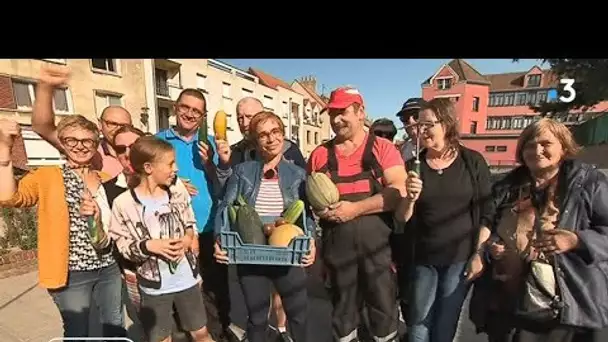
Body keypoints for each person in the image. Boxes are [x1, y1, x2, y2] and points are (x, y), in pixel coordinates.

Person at [470, 118, 608, 342]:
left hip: (563, 307)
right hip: (510, 303)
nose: (537, 150)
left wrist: (576, 240)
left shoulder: (587, 183)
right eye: (530, 145)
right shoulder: (507, 187)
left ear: (563, 146)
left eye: (546, 144)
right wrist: (491, 247)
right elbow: (490, 224)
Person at [0, 116, 126, 338]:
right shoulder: (48, 176)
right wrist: (4, 150)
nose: (79, 146)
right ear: (62, 142)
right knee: (78, 331)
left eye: (87, 141)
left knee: (114, 325)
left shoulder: (105, 178)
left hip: (108, 267)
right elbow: (10, 197)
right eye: (71, 140)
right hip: (71, 273)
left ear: (96, 145)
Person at [307, 87, 407, 342]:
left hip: (378, 253)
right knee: (343, 317)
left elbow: (397, 192)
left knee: (383, 314)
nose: (336, 119)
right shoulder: (319, 155)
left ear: (361, 112)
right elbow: (311, 202)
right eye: (332, 114)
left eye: (343, 112)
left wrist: (353, 210)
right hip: (337, 254)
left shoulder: (382, 149)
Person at [206, 96, 307, 342]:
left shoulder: (298, 174)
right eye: (263, 134)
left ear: (283, 135)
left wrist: (311, 241)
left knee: (299, 316)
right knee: (258, 317)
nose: (271, 138)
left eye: (275, 132)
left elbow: (307, 215)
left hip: (287, 251)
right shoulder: (242, 171)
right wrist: (220, 239)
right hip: (250, 252)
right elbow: (225, 206)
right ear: (255, 139)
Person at [395, 98, 493, 342]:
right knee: (418, 324)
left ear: (447, 124)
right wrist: (409, 198)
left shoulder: (472, 162)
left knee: (445, 325)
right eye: (420, 125)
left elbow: (487, 211)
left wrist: (479, 253)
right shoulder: (412, 166)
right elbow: (401, 219)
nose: (421, 130)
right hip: (422, 260)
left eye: (428, 124)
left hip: (459, 260)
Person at [109, 136, 213, 342]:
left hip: (187, 281)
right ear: (148, 168)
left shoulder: (177, 193)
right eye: (170, 164)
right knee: (161, 339)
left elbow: (190, 222)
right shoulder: (124, 204)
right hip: (154, 288)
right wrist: (148, 246)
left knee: (201, 334)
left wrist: (187, 238)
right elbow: (121, 244)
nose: (175, 169)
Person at [156, 89, 231, 341]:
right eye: (185, 107)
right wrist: (173, 183)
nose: (189, 114)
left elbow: (223, 186)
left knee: (214, 289)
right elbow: (144, 181)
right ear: (176, 107)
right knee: (181, 291)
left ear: (203, 116)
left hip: (209, 228)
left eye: (196, 111)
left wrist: (211, 163)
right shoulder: (158, 142)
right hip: (174, 233)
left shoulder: (209, 142)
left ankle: (217, 334)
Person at [32, 63, 132, 180]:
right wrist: (46, 88)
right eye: (111, 124)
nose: (118, 129)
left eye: (124, 125)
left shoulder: (141, 149)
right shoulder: (89, 147)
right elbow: (43, 127)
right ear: (100, 124)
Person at [396, 98, 425, 163]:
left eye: (417, 115)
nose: (411, 121)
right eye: (405, 118)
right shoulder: (402, 150)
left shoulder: (442, 149)